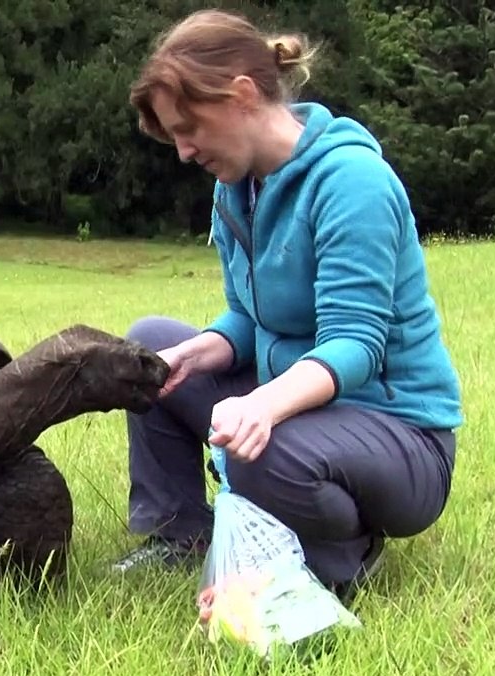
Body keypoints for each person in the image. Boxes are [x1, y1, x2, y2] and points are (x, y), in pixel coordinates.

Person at [112, 8, 463, 603]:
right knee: (147, 350)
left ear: (242, 95)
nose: (184, 151)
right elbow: (250, 319)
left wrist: (262, 405)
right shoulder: (234, 191)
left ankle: (339, 555)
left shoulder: (352, 181)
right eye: (174, 136)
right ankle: (182, 535)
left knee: (261, 446)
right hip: (304, 413)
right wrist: (195, 353)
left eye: (189, 127)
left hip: (400, 435)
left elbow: (355, 345)